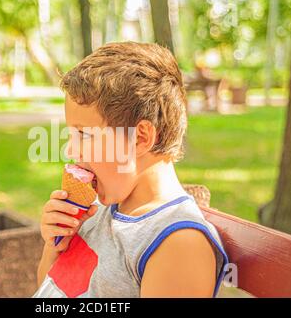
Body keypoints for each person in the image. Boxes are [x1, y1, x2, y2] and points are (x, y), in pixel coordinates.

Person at [34, 42, 228, 298]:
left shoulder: (178, 242)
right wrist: (55, 246)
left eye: (84, 134)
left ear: (140, 138)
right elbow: (48, 290)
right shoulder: (96, 211)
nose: (70, 150)